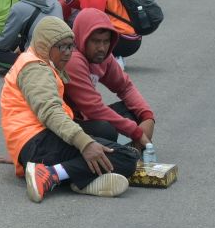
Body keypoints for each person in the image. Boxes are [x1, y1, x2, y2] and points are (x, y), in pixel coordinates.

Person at [0, 17, 139, 203]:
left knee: (104, 130)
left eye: (70, 46)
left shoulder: (37, 60)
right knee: (126, 159)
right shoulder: (35, 68)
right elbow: (50, 112)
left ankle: (75, 178)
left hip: (35, 140)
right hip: (38, 142)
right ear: (45, 44)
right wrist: (86, 144)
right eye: (61, 47)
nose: (67, 53)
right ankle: (50, 174)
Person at [64, 9, 157, 154]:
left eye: (106, 41)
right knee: (105, 130)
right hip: (66, 123)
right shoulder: (72, 60)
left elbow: (125, 87)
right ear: (82, 38)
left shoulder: (103, 56)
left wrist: (147, 117)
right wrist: (136, 132)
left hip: (86, 117)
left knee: (133, 111)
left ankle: (133, 150)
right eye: (95, 41)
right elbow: (94, 109)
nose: (101, 48)